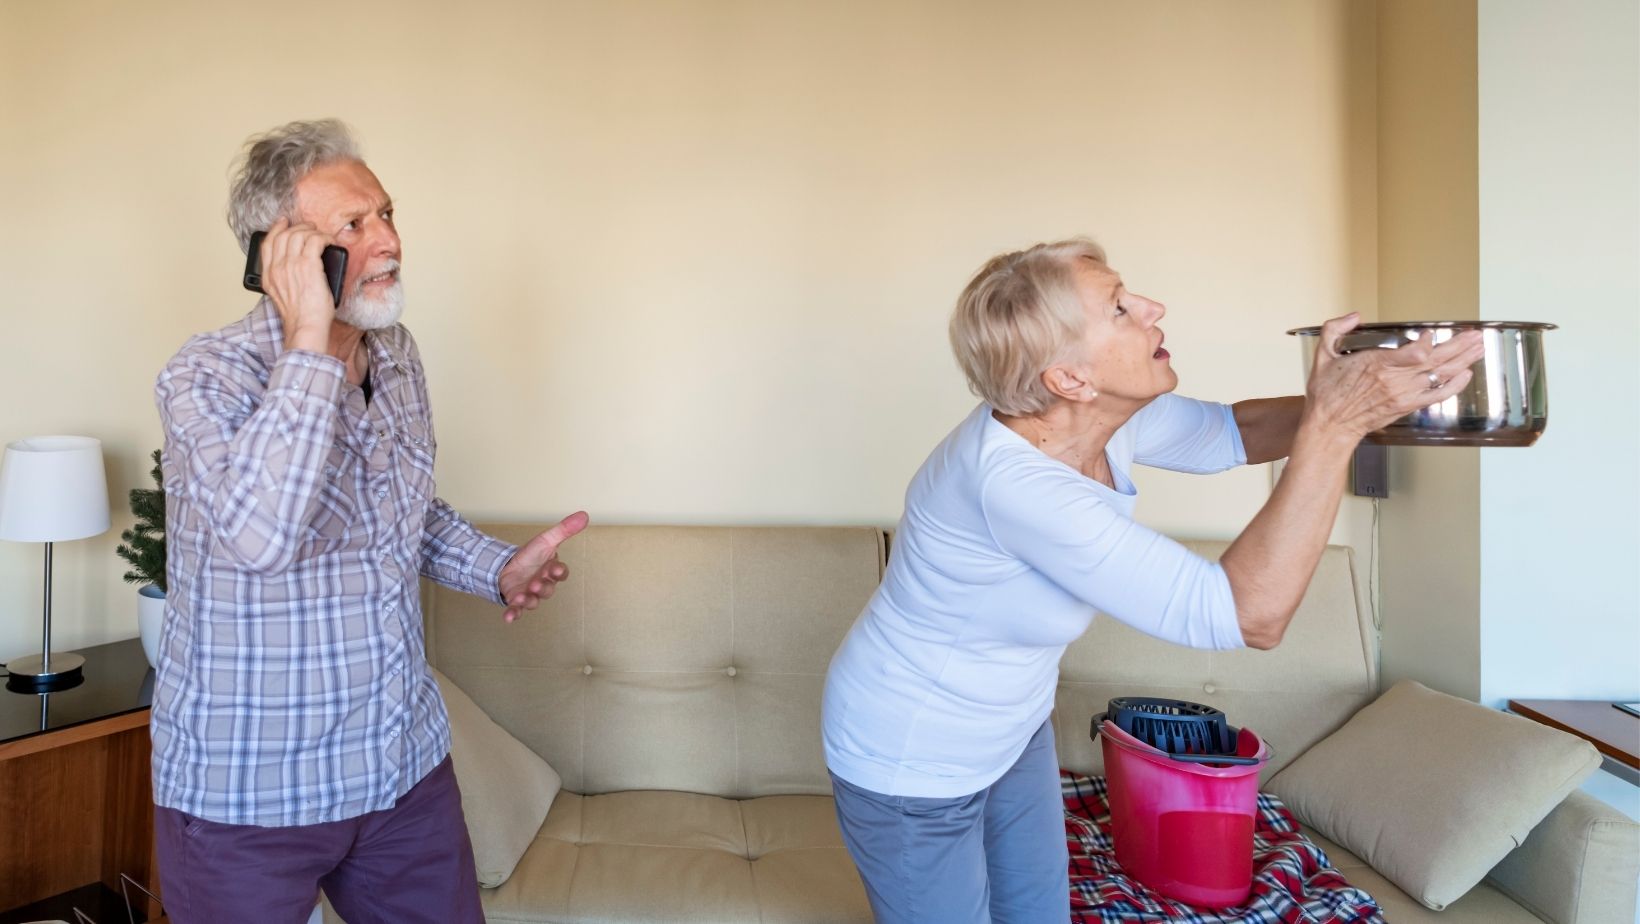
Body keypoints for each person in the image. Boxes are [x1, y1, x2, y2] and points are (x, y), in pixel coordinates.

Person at [820, 237, 1483, 923]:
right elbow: (1248, 614)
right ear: (1069, 378)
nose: (1152, 307)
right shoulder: (1015, 485)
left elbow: (1234, 431)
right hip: (912, 755)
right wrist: (1338, 425)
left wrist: (1368, 396)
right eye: (1119, 308)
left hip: (1011, 727)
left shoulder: (1094, 419)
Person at [150, 119, 587, 924]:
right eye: (353, 224)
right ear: (280, 254)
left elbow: (403, 515)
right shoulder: (203, 377)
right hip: (250, 798)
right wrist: (309, 340)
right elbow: (260, 538)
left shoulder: (396, 354)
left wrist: (496, 568)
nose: (388, 240)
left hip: (399, 772)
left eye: (386, 213)